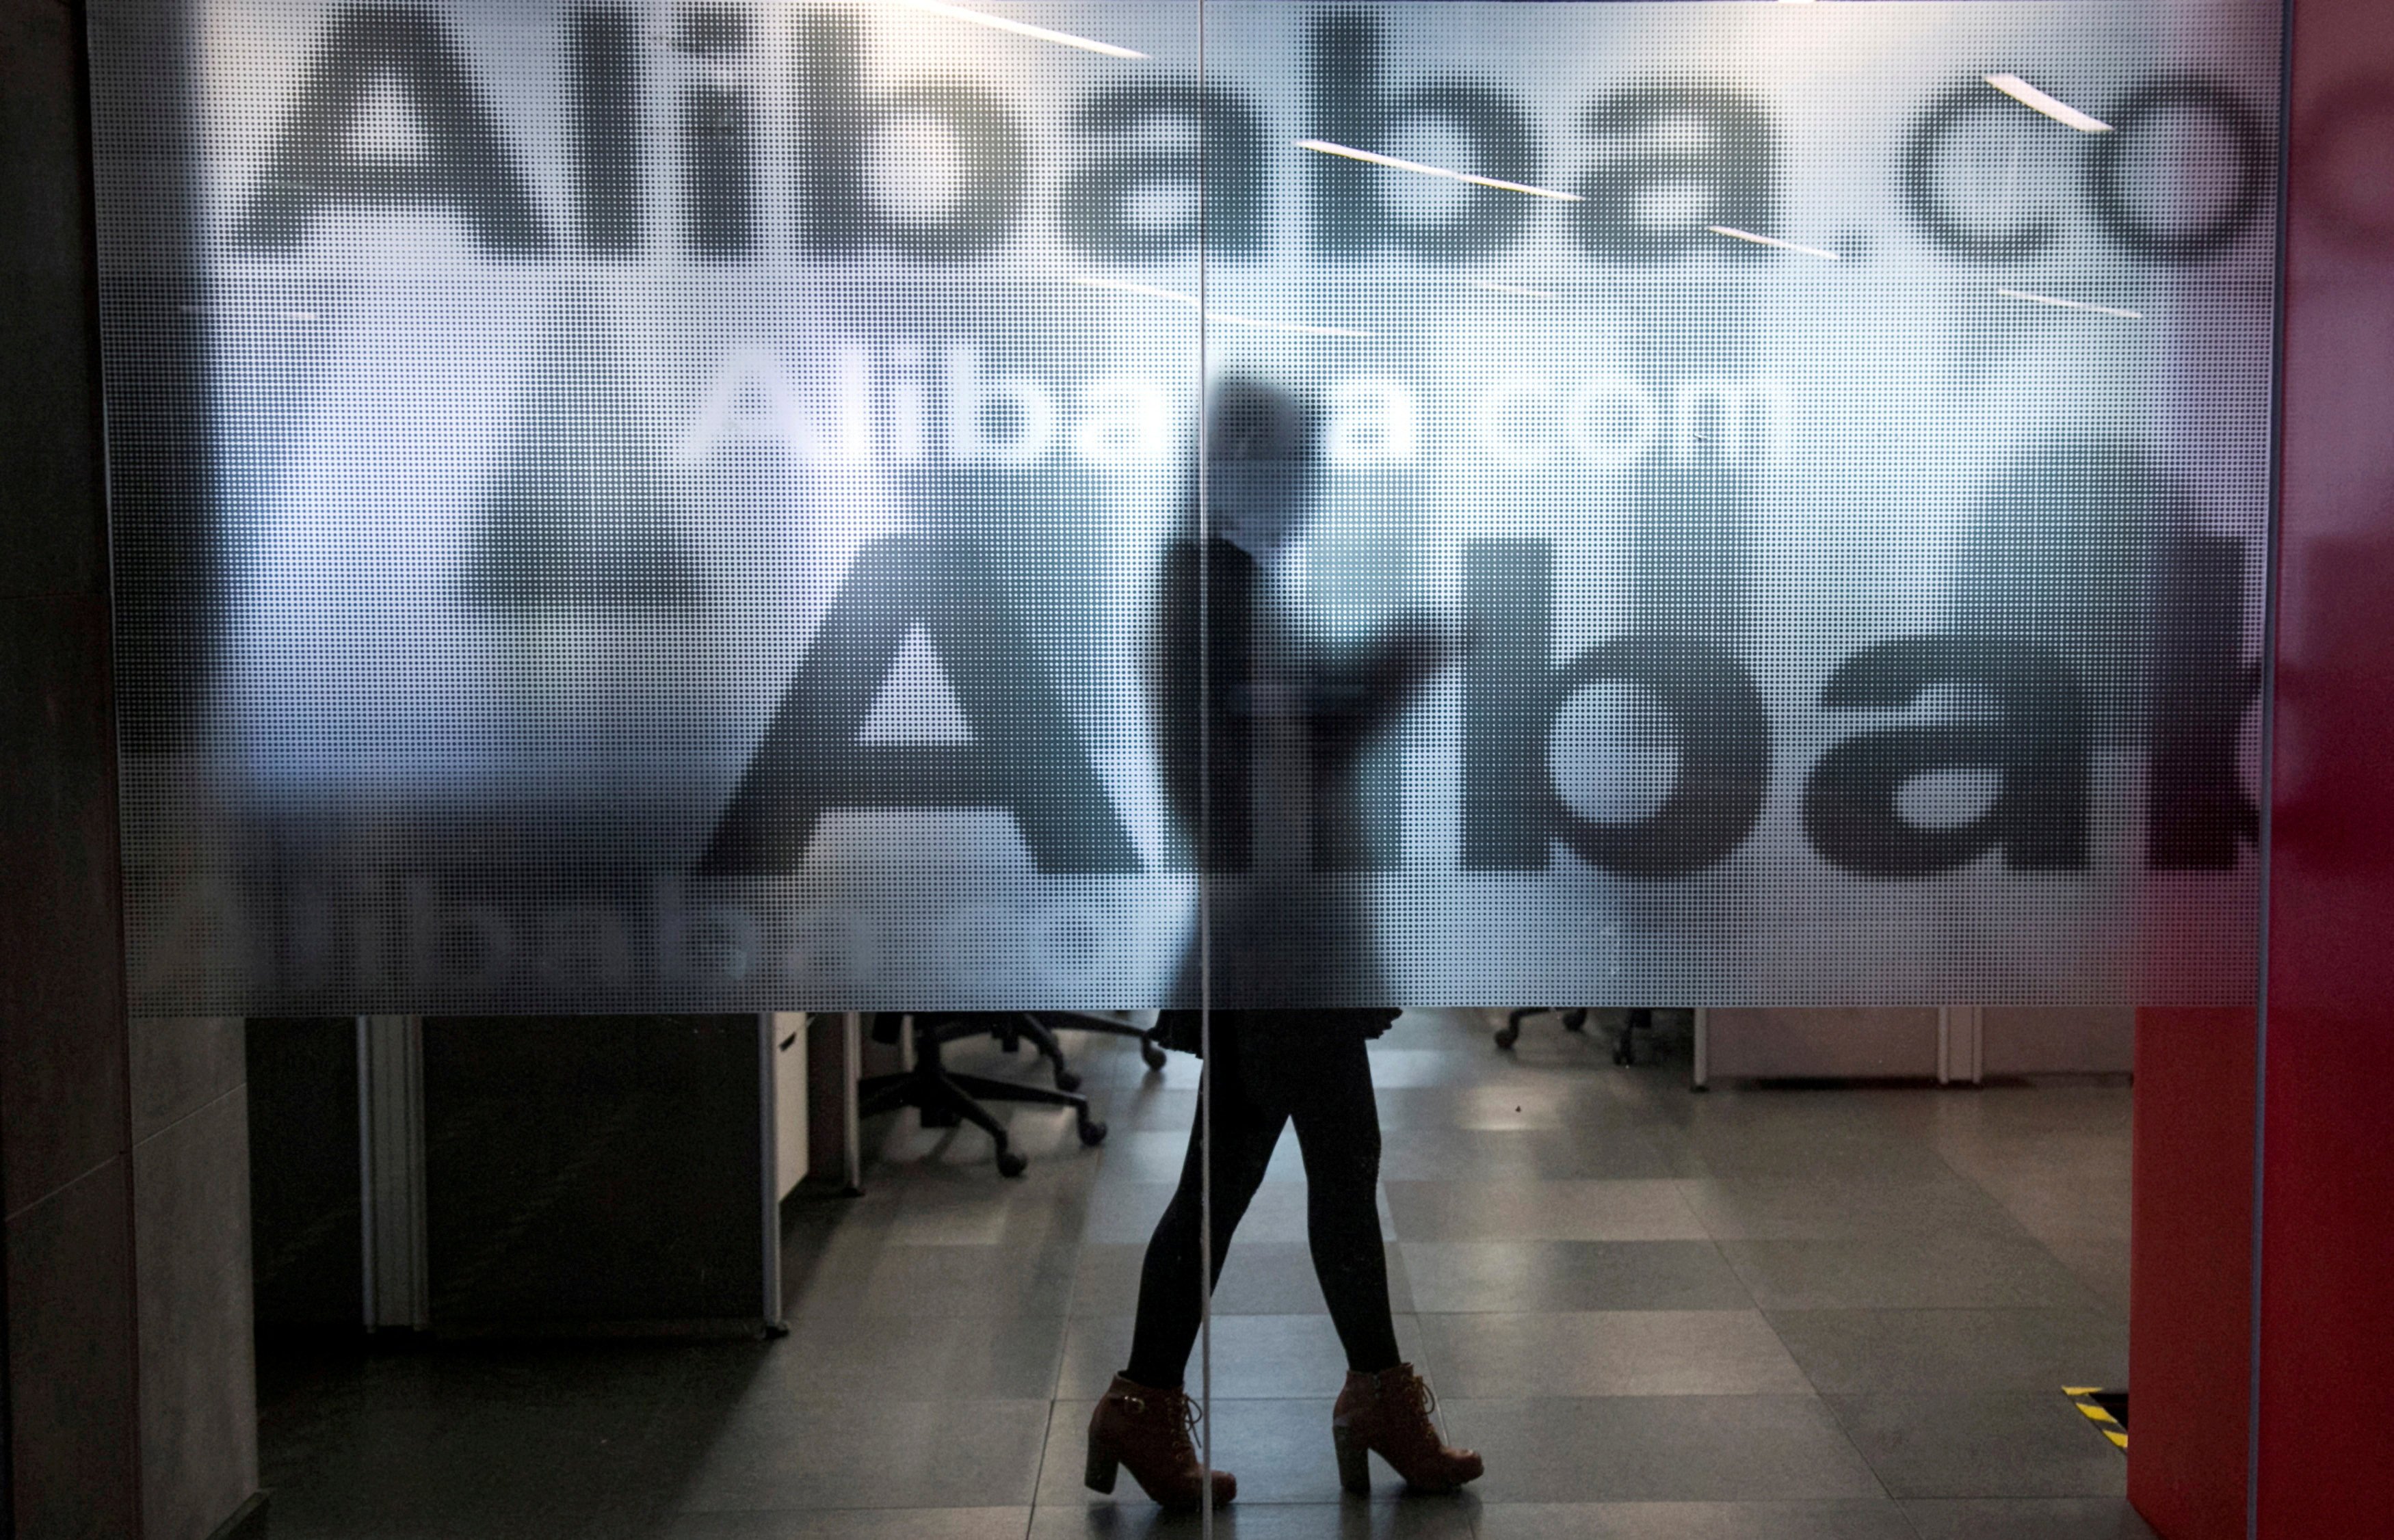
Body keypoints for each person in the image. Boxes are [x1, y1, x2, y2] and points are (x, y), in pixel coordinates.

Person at [1083, 380, 1483, 1511]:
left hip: (1280, 926)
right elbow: (1259, 769)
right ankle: (1376, 1397)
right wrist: (1388, 678)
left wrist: (1378, 680)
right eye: (1296, 463)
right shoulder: (1207, 584)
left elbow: (1285, 742)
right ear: (1247, 466)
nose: (1310, 486)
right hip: (1276, 934)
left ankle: (1146, 1401)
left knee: (1235, 1172)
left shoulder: (1219, 580)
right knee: (1337, 1160)